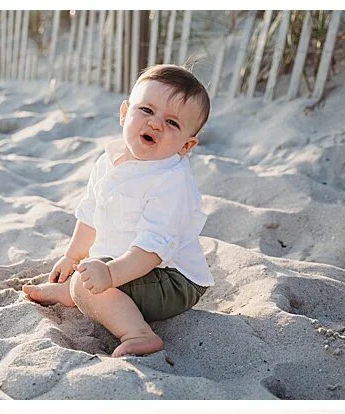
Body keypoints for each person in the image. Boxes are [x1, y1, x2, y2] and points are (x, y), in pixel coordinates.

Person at [23, 64, 213, 357]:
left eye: (172, 122)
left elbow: (152, 250)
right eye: (146, 110)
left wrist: (110, 275)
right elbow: (91, 213)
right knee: (84, 275)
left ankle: (138, 333)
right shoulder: (110, 160)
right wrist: (72, 256)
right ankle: (73, 289)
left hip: (171, 278)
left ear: (186, 145)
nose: (155, 124)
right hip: (128, 263)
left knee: (87, 288)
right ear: (124, 113)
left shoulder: (171, 181)